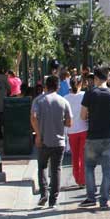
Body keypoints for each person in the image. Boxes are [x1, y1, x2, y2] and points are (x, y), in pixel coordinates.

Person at [30, 74, 72, 208]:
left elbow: (33, 117)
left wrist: (38, 134)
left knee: (42, 167)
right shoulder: (63, 101)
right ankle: (53, 200)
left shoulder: (38, 100)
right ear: (58, 86)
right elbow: (69, 122)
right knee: (56, 169)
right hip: (59, 141)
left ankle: (44, 194)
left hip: (43, 140)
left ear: (45, 86)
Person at [80, 67, 110, 209]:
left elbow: (82, 116)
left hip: (92, 136)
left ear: (96, 78)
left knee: (89, 167)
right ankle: (104, 199)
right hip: (108, 135)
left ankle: (91, 196)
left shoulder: (90, 94)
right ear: (107, 77)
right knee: (107, 170)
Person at [64, 76, 87, 189]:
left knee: (75, 156)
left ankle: (77, 177)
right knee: (83, 156)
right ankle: (82, 179)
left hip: (71, 130)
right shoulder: (84, 96)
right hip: (84, 129)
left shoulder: (65, 98)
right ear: (80, 84)